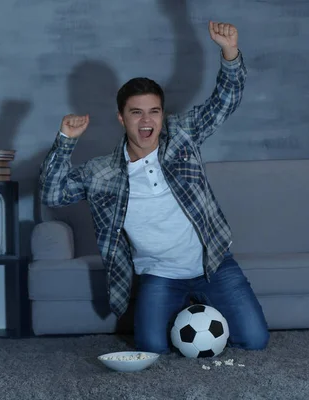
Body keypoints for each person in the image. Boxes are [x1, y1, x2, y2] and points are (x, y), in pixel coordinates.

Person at [39, 21, 269, 353]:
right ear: (121, 118)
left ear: (162, 115)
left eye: (154, 112)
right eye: (136, 113)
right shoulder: (101, 172)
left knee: (255, 340)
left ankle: (201, 312)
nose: (146, 121)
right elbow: (52, 194)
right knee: (149, 349)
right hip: (160, 276)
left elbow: (225, 101)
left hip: (213, 264)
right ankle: (182, 314)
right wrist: (64, 142)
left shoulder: (181, 136)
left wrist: (229, 51)